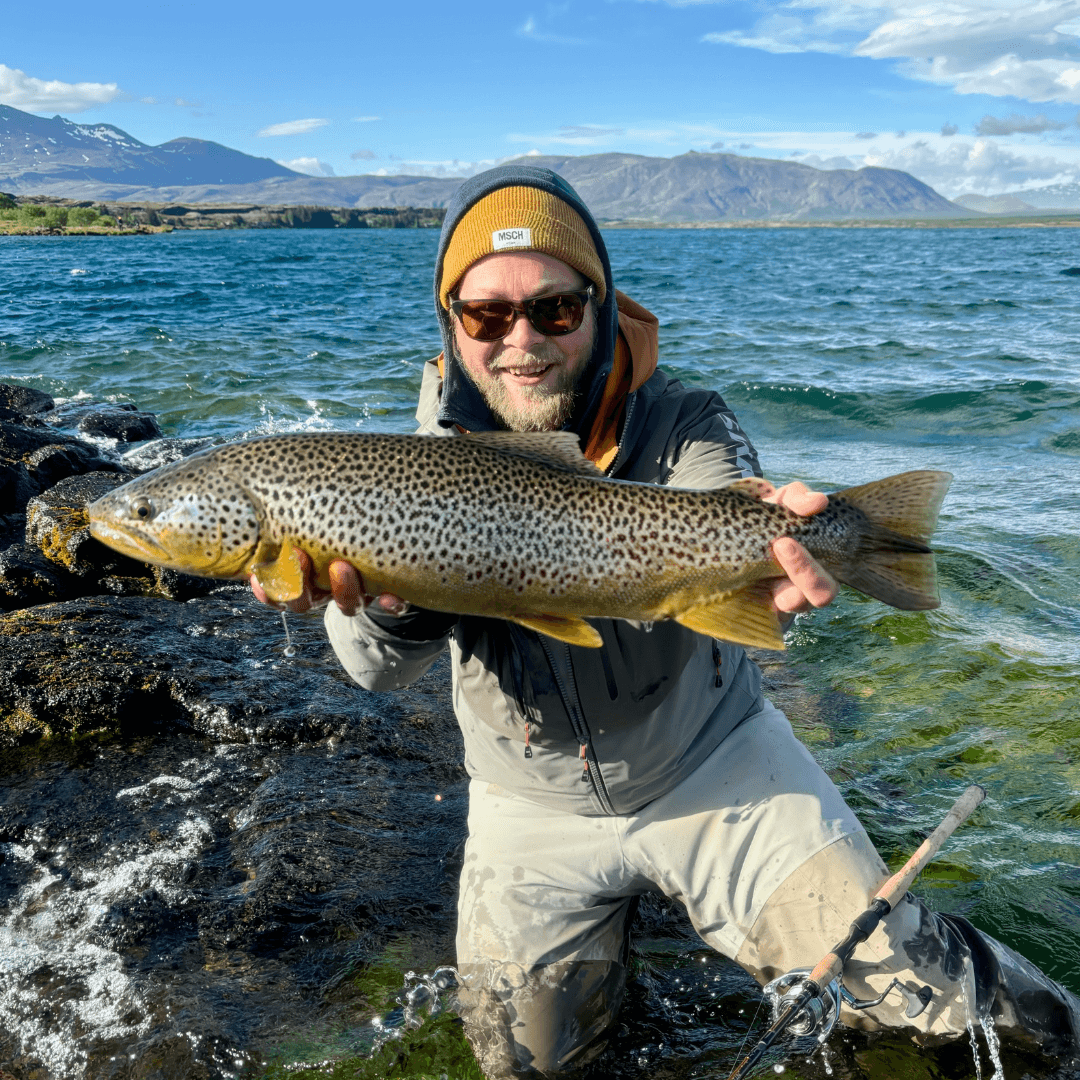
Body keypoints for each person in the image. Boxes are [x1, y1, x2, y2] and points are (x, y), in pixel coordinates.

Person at [252, 165, 1080, 1078]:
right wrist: (394, 599)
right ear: (452, 325)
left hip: (715, 766)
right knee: (524, 1065)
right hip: (530, 805)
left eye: (555, 310)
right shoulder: (401, 471)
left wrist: (788, 548)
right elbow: (375, 672)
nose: (521, 341)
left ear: (602, 306)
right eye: (487, 316)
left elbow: (722, 509)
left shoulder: (687, 420)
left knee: (939, 1005)